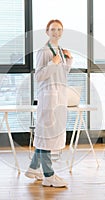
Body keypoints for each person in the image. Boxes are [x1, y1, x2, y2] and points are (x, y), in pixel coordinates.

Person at [25, 19, 73, 188]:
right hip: (48, 98)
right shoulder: (44, 51)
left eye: (59, 29)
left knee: (50, 135)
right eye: (53, 29)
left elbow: (61, 74)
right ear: (47, 31)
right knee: (46, 136)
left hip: (59, 97)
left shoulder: (59, 49)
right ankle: (49, 175)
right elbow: (39, 76)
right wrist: (53, 62)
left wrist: (68, 61)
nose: (56, 32)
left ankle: (33, 168)